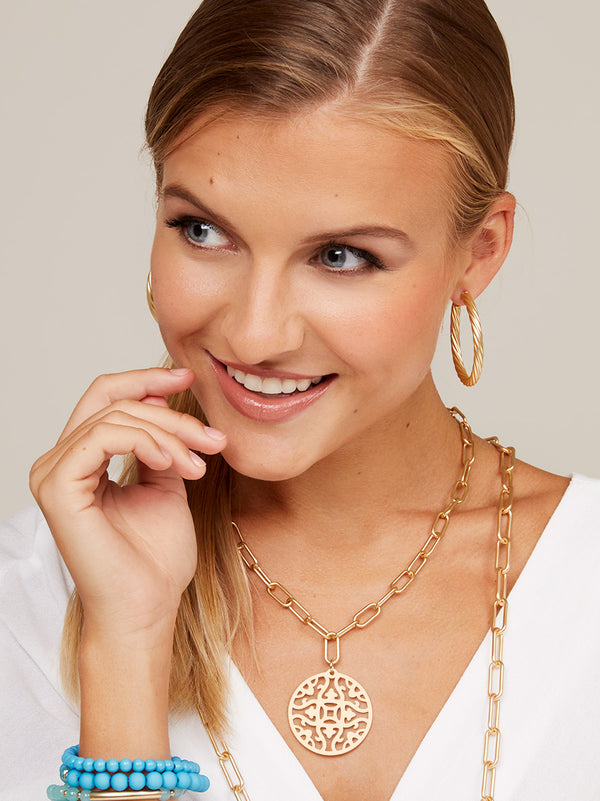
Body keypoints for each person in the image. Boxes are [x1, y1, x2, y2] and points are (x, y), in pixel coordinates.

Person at [2, 1, 599, 799]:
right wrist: (125, 648)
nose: (255, 334)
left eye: (342, 255)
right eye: (203, 231)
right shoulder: (30, 600)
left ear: (479, 253)